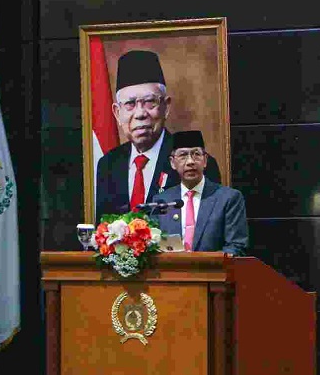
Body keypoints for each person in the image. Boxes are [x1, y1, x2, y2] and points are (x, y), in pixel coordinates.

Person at [95, 50, 221, 219]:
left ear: (166, 107)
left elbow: (206, 233)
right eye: (130, 104)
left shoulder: (197, 163)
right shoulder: (108, 165)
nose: (140, 113)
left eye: (149, 102)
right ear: (117, 113)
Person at [153, 131, 248, 256]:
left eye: (196, 154)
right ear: (172, 162)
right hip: (172, 273)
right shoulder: (162, 200)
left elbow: (237, 247)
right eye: (183, 155)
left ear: (205, 160)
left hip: (213, 273)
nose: (190, 161)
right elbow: (153, 245)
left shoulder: (228, 198)